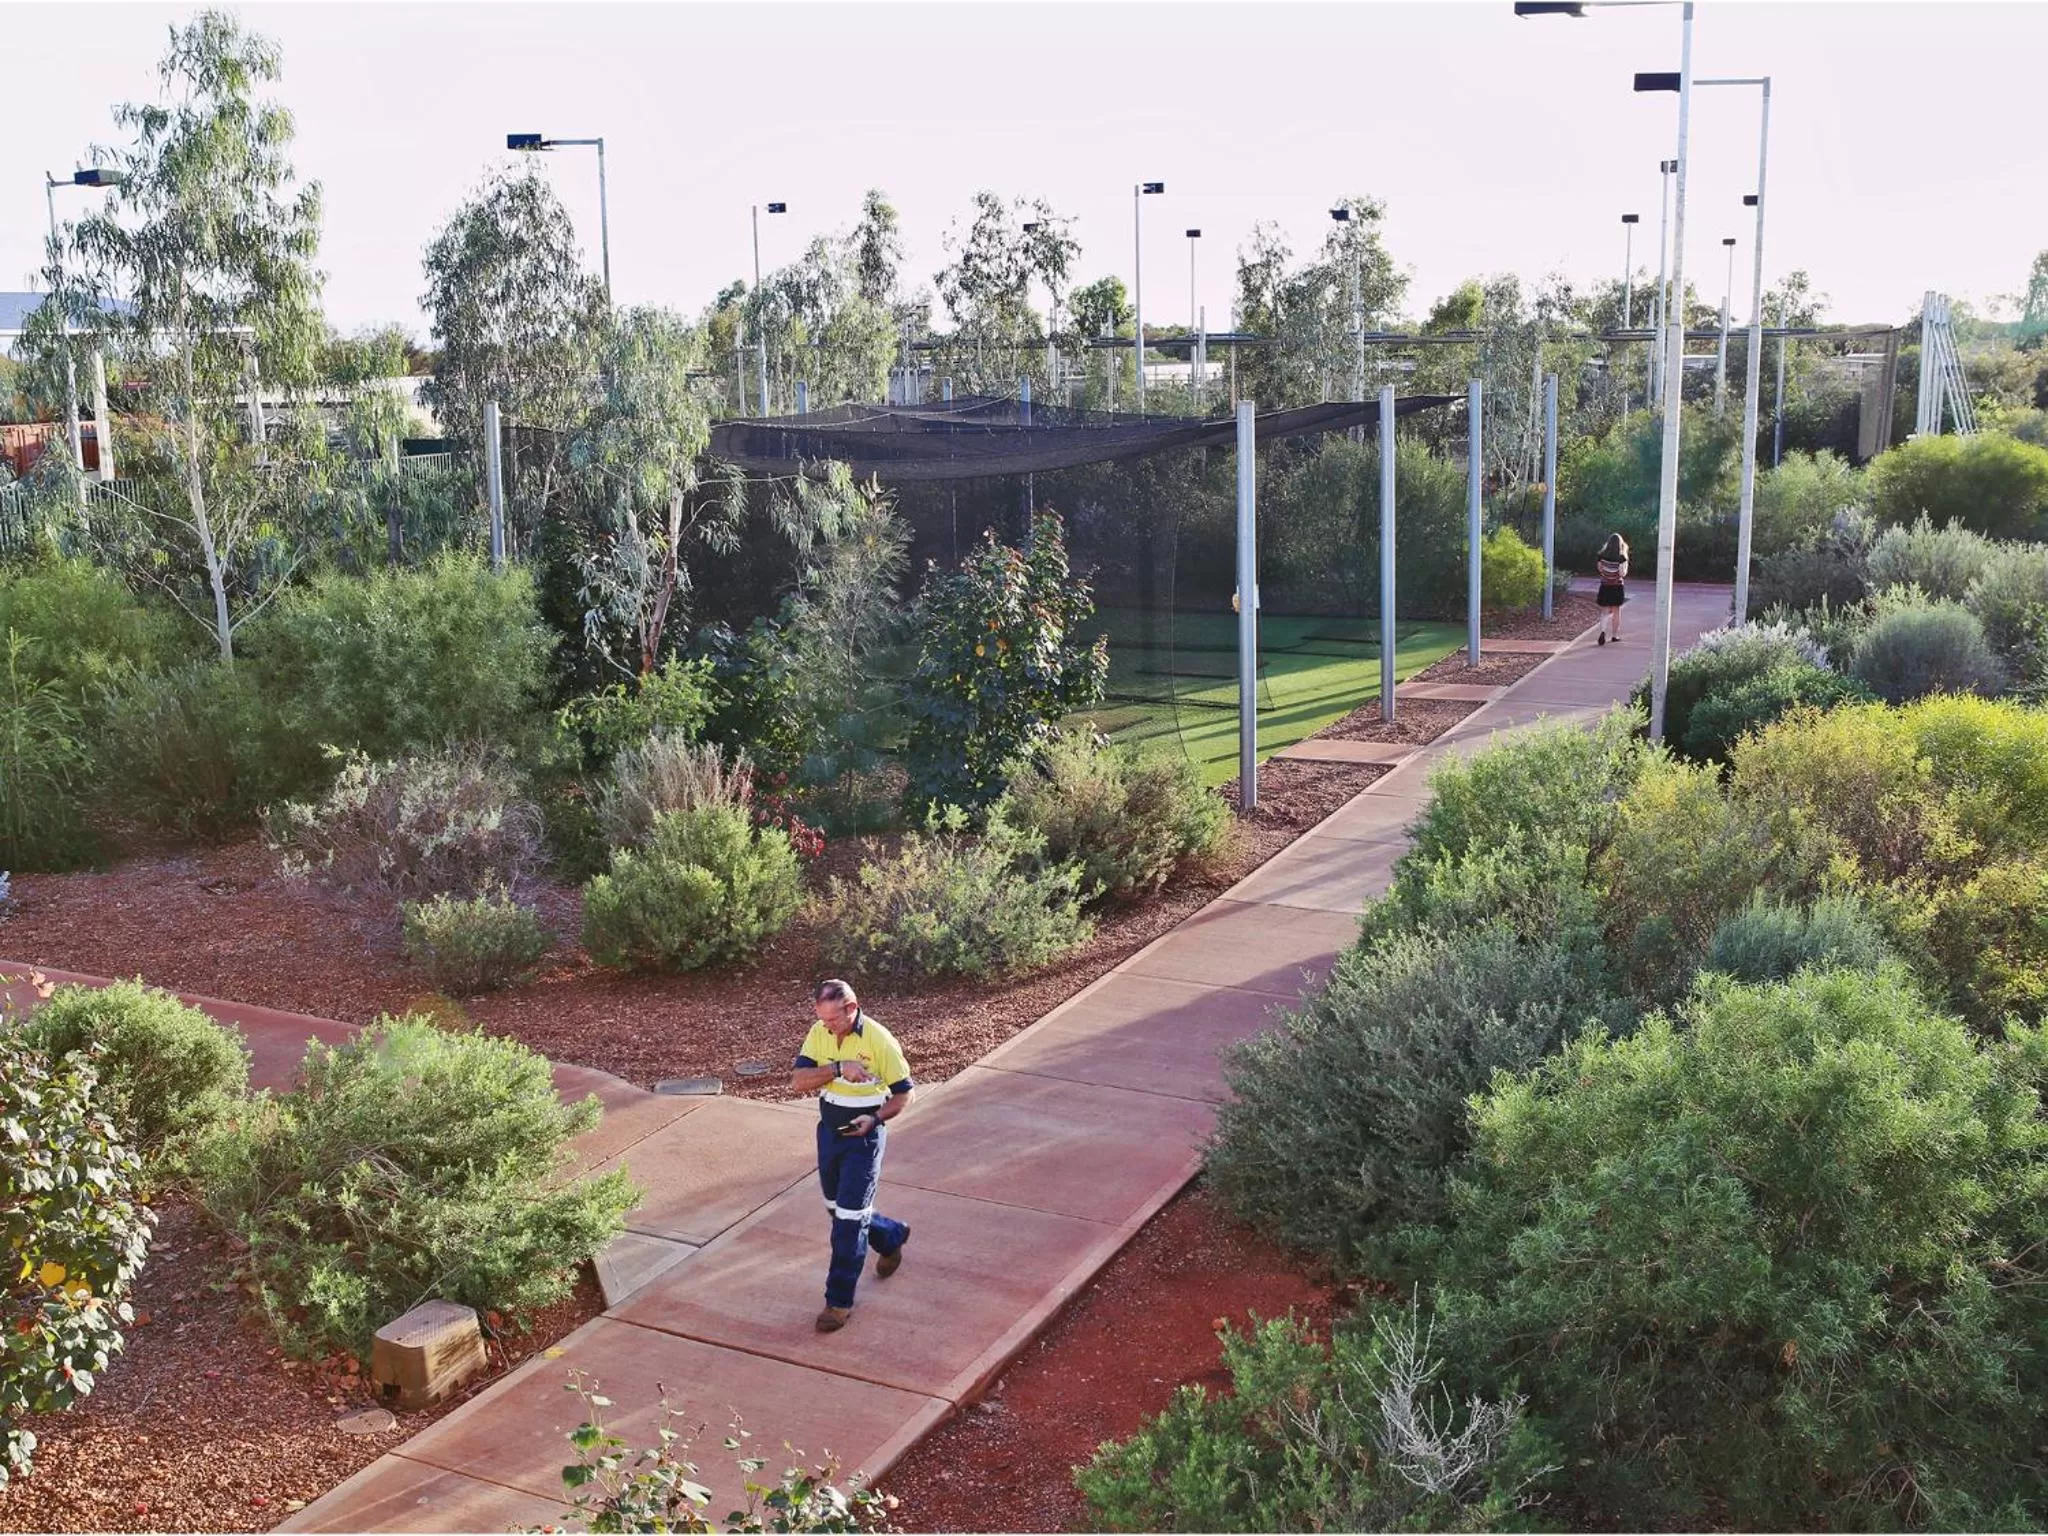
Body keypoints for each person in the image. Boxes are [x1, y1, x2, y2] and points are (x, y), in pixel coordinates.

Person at [789, 978, 913, 1332]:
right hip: (829, 1136)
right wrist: (838, 1068)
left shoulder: (880, 1041)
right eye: (822, 1020)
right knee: (837, 1209)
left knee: (848, 1222)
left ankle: (838, 1302)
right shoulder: (819, 1032)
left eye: (833, 1020)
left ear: (852, 1009)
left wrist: (874, 1119)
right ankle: (890, 1236)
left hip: (864, 1141)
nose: (827, 1027)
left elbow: (905, 1095)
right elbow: (799, 1081)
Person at [1594, 533, 1630, 645]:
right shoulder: (1622, 558)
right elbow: (1622, 573)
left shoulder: (1601, 556)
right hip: (1617, 586)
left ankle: (1602, 632)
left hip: (1604, 586)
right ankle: (1614, 635)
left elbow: (1600, 569)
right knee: (1616, 612)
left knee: (1604, 611)